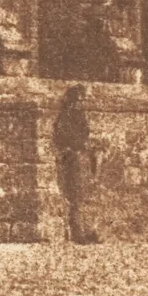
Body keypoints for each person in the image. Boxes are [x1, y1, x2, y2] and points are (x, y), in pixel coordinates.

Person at [54, 84, 100, 244]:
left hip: (84, 157)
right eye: (78, 100)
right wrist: (77, 147)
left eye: (82, 101)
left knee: (88, 195)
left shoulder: (80, 116)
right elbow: (63, 137)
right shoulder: (65, 117)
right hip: (73, 158)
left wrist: (87, 148)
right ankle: (78, 232)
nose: (80, 104)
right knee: (76, 196)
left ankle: (89, 230)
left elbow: (85, 132)